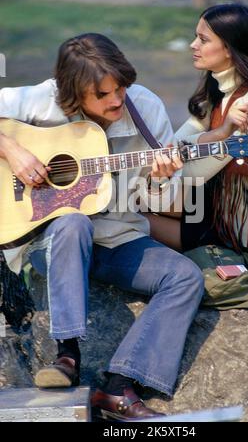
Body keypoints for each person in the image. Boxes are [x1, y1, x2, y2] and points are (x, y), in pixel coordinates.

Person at [0, 33, 205, 420]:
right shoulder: (40, 100)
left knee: (185, 277)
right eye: (102, 94)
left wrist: (161, 179)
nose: (116, 100)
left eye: (120, 88)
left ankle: (119, 386)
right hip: (53, 243)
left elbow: (158, 203)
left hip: (117, 239)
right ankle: (67, 357)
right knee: (73, 221)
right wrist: (12, 148)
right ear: (73, 93)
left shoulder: (145, 109)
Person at [145, 3, 248, 280]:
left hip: (240, 237)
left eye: (203, 39)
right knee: (131, 196)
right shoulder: (218, 87)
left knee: (132, 215)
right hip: (213, 207)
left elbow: (191, 172)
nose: (193, 45)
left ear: (228, 48)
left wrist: (163, 169)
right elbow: (173, 144)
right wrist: (217, 133)